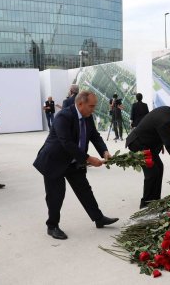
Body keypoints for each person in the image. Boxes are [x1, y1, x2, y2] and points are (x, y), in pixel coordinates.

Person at [33, 91, 119, 240]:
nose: (93, 109)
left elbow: (94, 136)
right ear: (80, 104)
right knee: (56, 195)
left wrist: (104, 151)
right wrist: (88, 158)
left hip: (73, 162)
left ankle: (98, 219)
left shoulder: (87, 116)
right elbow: (66, 142)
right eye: (91, 106)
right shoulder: (63, 116)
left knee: (84, 190)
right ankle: (52, 226)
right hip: (54, 161)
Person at [126, 103, 170, 209]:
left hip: (147, 144)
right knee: (152, 172)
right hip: (138, 143)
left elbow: (158, 128)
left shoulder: (167, 110)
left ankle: (155, 201)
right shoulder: (167, 121)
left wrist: (161, 142)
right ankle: (145, 205)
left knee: (159, 167)